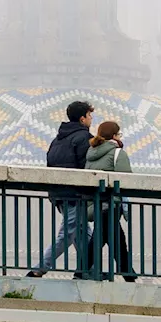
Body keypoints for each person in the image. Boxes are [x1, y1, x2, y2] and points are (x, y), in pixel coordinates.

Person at [27, 100, 95, 279]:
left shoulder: (57, 139)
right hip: (76, 194)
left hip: (59, 194)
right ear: (82, 119)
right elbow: (86, 168)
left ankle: (88, 271)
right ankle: (39, 268)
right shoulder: (84, 138)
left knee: (83, 235)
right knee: (67, 235)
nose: (91, 119)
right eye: (89, 116)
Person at [84, 120, 136, 282]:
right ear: (114, 136)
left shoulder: (91, 152)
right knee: (104, 237)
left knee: (111, 237)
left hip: (95, 203)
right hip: (111, 203)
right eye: (119, 134)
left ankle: (127, 271)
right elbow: (126, 179)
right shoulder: (117, 153)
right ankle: (83, 269)